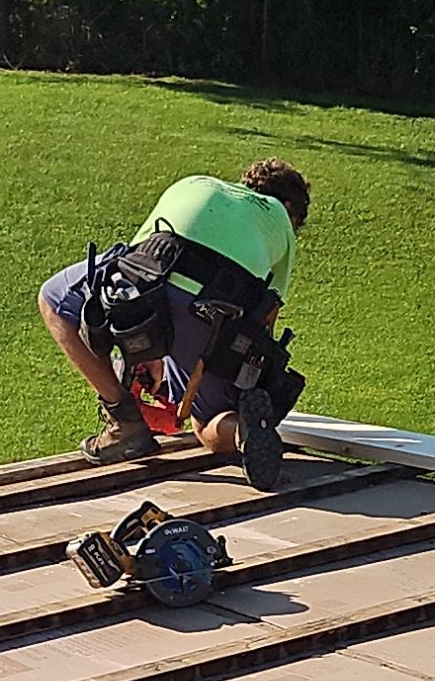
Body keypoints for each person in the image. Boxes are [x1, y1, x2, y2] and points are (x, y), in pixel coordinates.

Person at [39, 160, 311, 470]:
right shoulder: (278, 219)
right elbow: (266, 315)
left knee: (54, 299)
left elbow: (136, 263)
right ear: (288, 206)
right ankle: (243, 431)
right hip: (215, 313)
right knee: (206, 427)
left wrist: (142, 348)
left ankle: (123, 419)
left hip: (150, 282)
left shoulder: (196, 183)